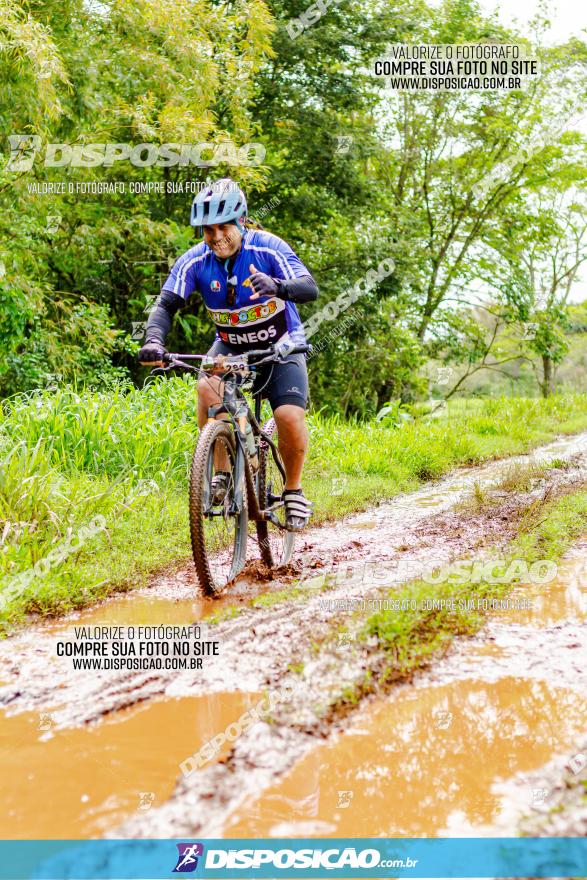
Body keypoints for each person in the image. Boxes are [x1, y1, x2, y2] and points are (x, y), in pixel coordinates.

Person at [139, 178, 318, 530]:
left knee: (287, 416)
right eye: (209, 230)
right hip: (232, 345)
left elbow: (309, 287)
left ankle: (294, 491)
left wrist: (278, 287)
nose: (217, 236)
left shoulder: (268, 248)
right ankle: (223, 472)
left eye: (224, 227)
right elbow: (166, 304)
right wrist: (154, 341)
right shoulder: (194, 261)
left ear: (241, 222)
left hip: (280, 344)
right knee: (208, 388)